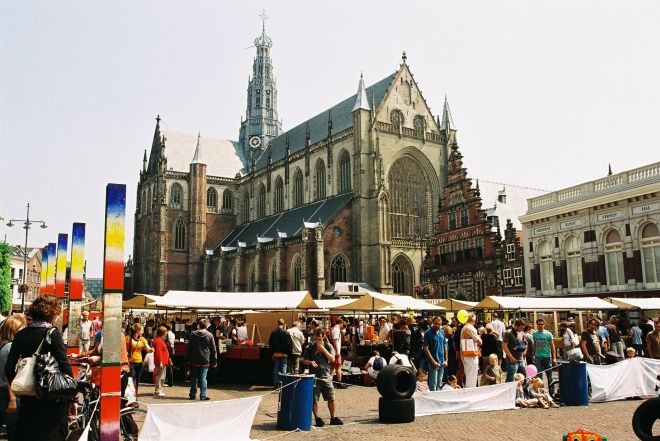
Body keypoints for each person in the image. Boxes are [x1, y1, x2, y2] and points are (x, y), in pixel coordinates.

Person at [5, 295, 72, 440]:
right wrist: (70, 394)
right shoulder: (53, 334)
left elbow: (9, 367)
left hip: (28, 399)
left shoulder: (21, 335)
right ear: (52, 314)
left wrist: (20, 387)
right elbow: (64, 366)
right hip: (51, 399)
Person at [303, 328, 343, 427]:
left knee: (331, 398)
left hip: (326, 376)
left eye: (319, 339)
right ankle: (317, 418)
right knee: (314, 399)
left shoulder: (328, 346)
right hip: (314, 377)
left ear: (323, 337)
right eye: (316, 339)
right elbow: (303, 360)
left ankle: (333, 418)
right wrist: (310, 362)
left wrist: (323, 349)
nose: (317, 341)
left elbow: (333, 359)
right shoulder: (310, 347)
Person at [0, 316, 26, 441]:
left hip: (4, 392)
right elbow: (7, 374)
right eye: (21, 328)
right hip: (7, 393)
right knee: (14, 429)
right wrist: (13, 398)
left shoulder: (3, 344)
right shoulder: (10, 347)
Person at [187, 319, 217, 400]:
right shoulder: (210, 335)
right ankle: (203, 395)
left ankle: (192, 394)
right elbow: (213, 350)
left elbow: (189, 348)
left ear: (198, 325)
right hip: (205, 360)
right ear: (207, 326)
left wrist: (188, 359)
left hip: (194, 359)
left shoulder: (193, 334)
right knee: (203, 378)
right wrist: (214, 361)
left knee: (194, 378)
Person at [126, 323, 153, 395]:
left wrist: (151, 349)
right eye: (142, 330)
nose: (143, 332)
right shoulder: (128, 338)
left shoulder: (142, 339)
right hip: (130, 362)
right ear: (137, 331)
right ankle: (131, 397)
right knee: (132, 379)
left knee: (137, 381)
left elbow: (148, 349)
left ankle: (135, 396)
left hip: (139, 362)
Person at [423, 316, 448, 391]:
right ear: (433, 323)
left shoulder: (442, 332)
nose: (437, 325)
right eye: (436, 323)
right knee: (433, 384)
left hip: (442, 361)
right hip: (433, 362)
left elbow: (445, 346)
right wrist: (433, 361)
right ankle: (433, 399)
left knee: (439, 383)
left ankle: (438, 399)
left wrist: (446, 359)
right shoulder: (428, 333)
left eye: (439, 324)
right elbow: (426, 348)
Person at [460, 313, 482, 388]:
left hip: (464, 354)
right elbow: (480, 342)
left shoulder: (464, 328)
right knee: (472, 378)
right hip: (471, 355)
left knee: (468, 376)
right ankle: (471, 394)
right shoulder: (471, 328)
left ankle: (469, 393)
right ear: (474, 320)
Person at [268, 319, 292, 387]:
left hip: (276, 354)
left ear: (277, 323)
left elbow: (270, 344)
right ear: (284, 324)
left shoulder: (273, 332)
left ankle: (276, 384)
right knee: (283, 369)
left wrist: (272, 353)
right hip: (284, 354)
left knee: (276, 369)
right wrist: (288, 353)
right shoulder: (286, 332)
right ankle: (283, 384)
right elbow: (289, 344)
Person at [532, 318, 556, 385]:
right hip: (538, 356)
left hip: (547, 356)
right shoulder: (534, 334)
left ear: (544, 324)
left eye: (541, 324)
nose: (540, 325)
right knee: (539, 375)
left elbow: (552, 346)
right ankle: (541, 391)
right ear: (536, 325)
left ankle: (551, 392)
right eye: (538, 324)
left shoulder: (548, 334)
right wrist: (533, 354)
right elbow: (535, 345)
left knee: (549, 375)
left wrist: (554, 358)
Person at [152, 326, 170, 397]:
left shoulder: (158, 340)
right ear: (164, 332)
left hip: (162, 361)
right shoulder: (159, 341)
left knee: (161, 376)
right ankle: (158, 391)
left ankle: (159, 390)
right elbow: (158, 352)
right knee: (160, 376)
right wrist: (160, 362)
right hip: (161, 361)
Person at [330, 319, 346, 388]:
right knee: (338, 367)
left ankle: (330, 383)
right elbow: (335, 341)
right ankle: (339, 383)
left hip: (332, 352)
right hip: (335, 352)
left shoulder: (333, 328)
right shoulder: (336, 329)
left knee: (332, 367)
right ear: (341, 323)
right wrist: (337, 352)